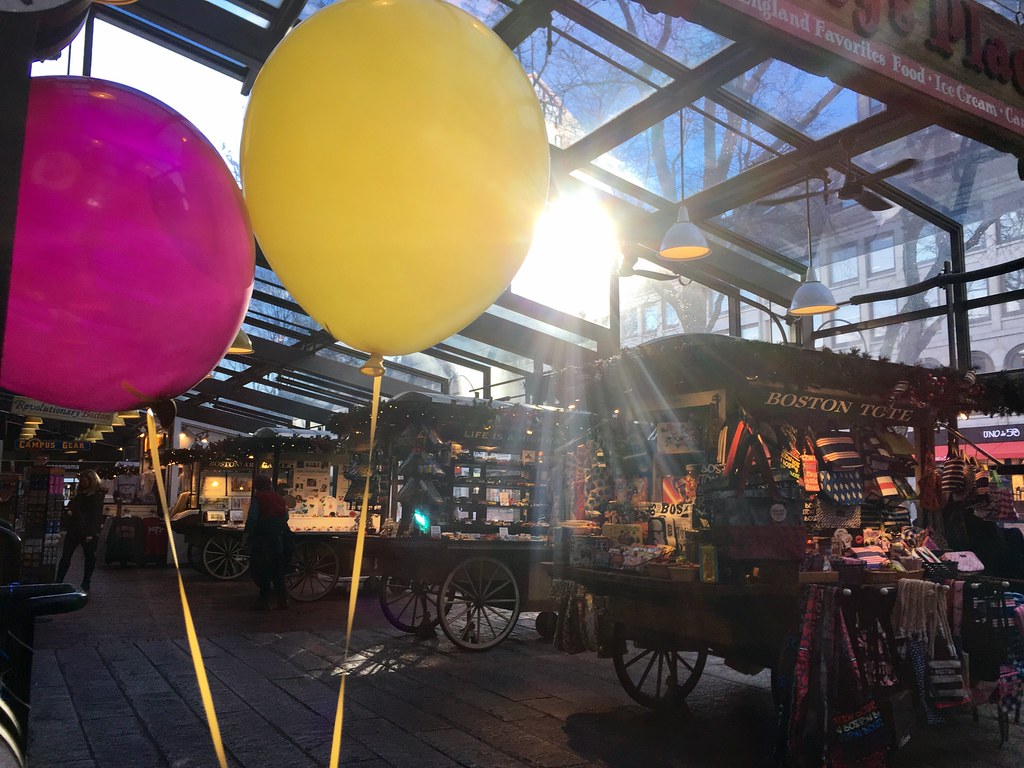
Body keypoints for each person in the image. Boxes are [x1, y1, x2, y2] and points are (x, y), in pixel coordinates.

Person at [244, 475, 292, 610]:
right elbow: (285, 516)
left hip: (263, 537)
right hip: (278, 537)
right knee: (277, 568)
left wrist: (247, 534)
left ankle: (264, 601)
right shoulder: (279, 498)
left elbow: (252, 518)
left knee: (261, 568)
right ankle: (282, 600)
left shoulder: (258, 498)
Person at [56, 470, 106, 592]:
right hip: (77, 529)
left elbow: (95, 515)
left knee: (76, 556)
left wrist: (91, 532)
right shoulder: (87, 495)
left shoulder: (93, 496)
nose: (82, 483)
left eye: (85, 481)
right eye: (82, 481)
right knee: (73, 556)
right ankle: (64, 581)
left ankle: (77, 581)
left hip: (82, 530)